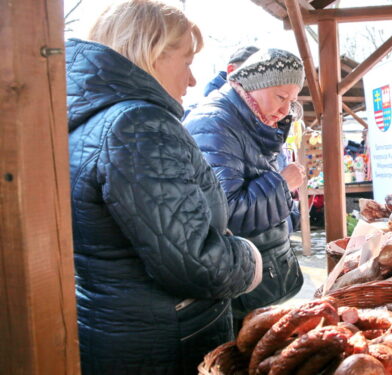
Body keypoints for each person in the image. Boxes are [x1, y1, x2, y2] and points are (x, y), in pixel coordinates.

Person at [66, 1, 263, 374]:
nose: (192, 80)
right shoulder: (140, 125)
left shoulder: (93, 118)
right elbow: (194, 262)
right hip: (166, 341)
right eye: (187, 61)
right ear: (152, 54)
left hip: (118, 331)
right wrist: (249, 259)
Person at [184, 48, 306, 326]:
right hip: (237, 285)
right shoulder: (214, 124)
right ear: (254, 86)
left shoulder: (251, 118)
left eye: (293, 100)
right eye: (280, 97)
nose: (286, 109)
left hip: (256, 276)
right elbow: (227, 214)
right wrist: (282, 184)